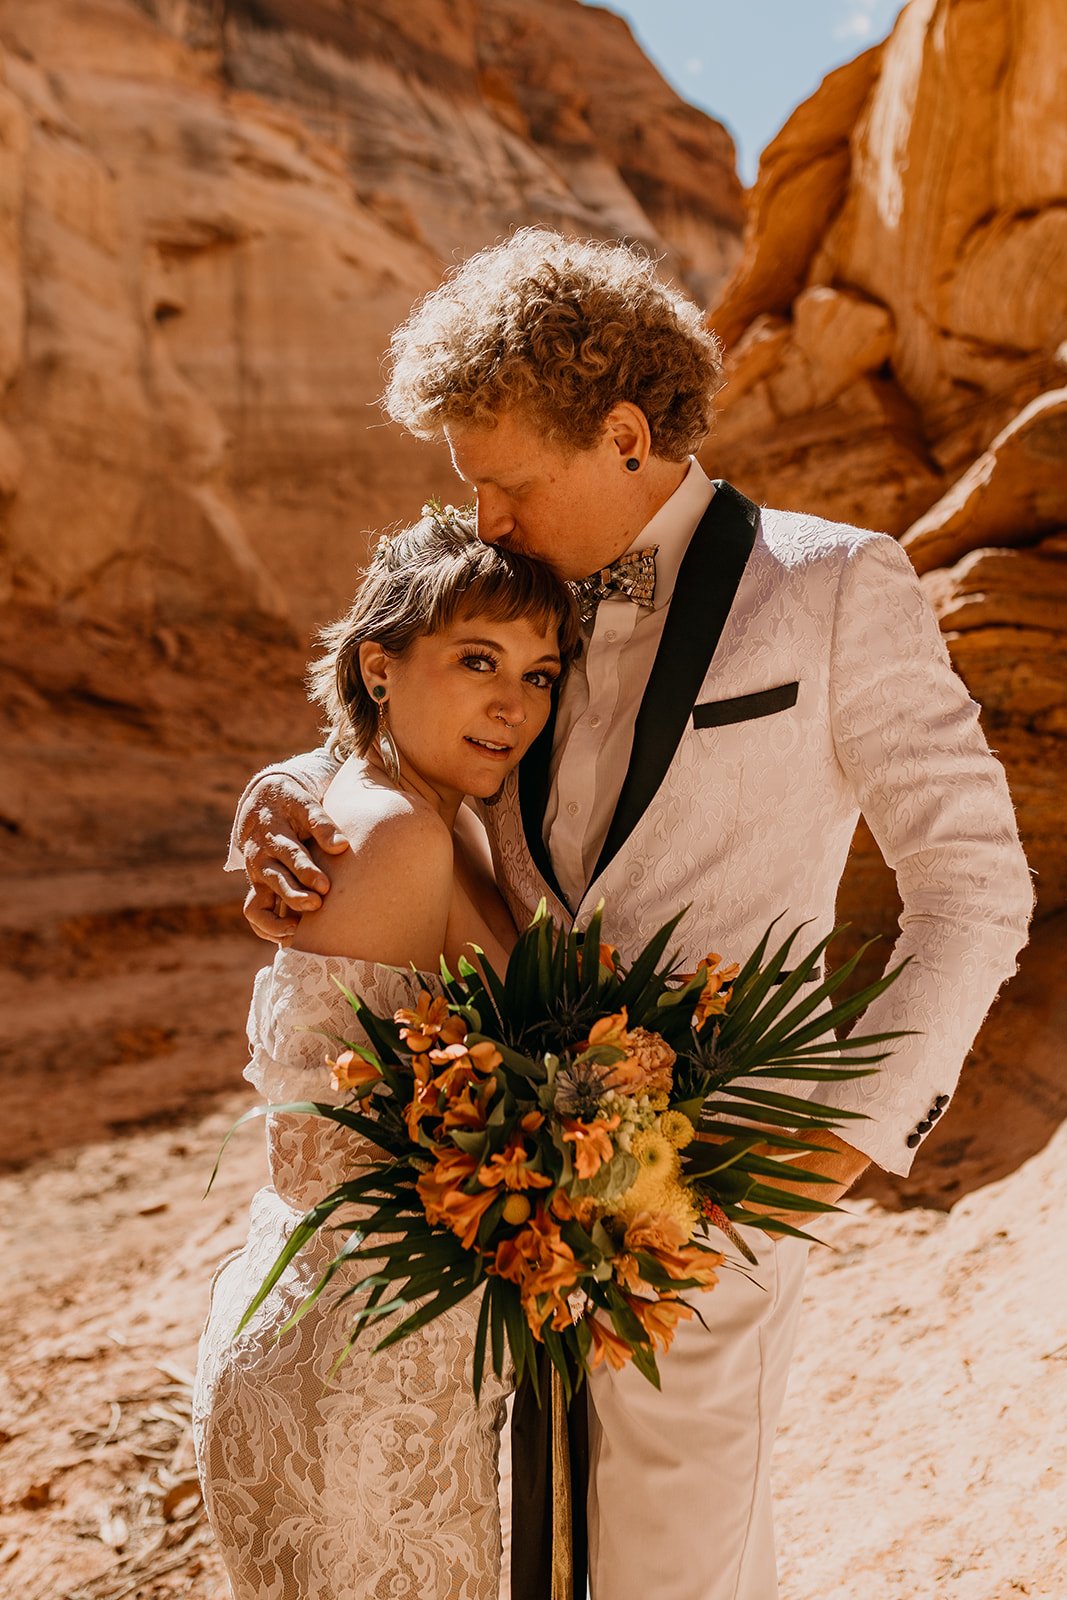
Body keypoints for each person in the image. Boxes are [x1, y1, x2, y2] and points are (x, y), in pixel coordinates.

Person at [228, 230, 1033, 1600]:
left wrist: (831, 1144)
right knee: (527, 1552)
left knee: (673, 1560)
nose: (479, 517)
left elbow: (971, 884)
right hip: (483, 1192)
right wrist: (281, 789)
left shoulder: (833, 586)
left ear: (618, 434)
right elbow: (392, 709)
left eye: (503, 481)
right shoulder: (502, 575)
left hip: (711, 1181)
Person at [193, 511, 581, 1600]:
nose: (514, 703)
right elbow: (324, 1157)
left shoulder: (430, 809)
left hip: (375, 1352)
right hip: (361, 1388)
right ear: (379, 662)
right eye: (476, 661)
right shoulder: (400, 832)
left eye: (539, 673)